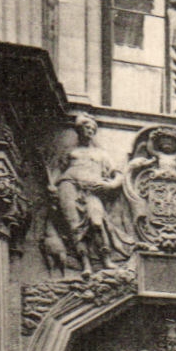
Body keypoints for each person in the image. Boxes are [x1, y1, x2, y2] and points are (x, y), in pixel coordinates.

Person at [49, 113, 125, 273]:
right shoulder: (71, 152)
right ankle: (85, 263)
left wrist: (110, 185)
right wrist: (53, 185)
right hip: (68, 185)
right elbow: (58, 170)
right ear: (79, 130)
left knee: (96, 221)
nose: (89, 130)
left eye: (92, 128)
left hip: (92, 188)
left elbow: (118, 175)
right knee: (74, 225)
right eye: (85, 127)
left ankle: (106, 258)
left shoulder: (101, 154)